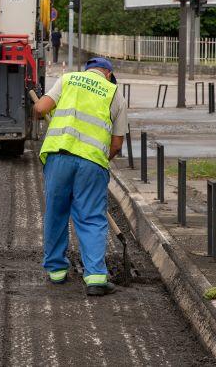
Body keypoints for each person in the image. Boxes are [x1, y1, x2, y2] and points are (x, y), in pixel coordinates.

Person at [32, 57, 127, 296]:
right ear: (107, 74)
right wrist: (101, 161)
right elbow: (117, 143)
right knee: (92, 218)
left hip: (59, 157)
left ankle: (56, 271)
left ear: (88, 71)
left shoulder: (67, 79)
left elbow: (40, 109)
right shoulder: (114, 93)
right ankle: (95, 277)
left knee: (56, 212)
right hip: (92, 163)